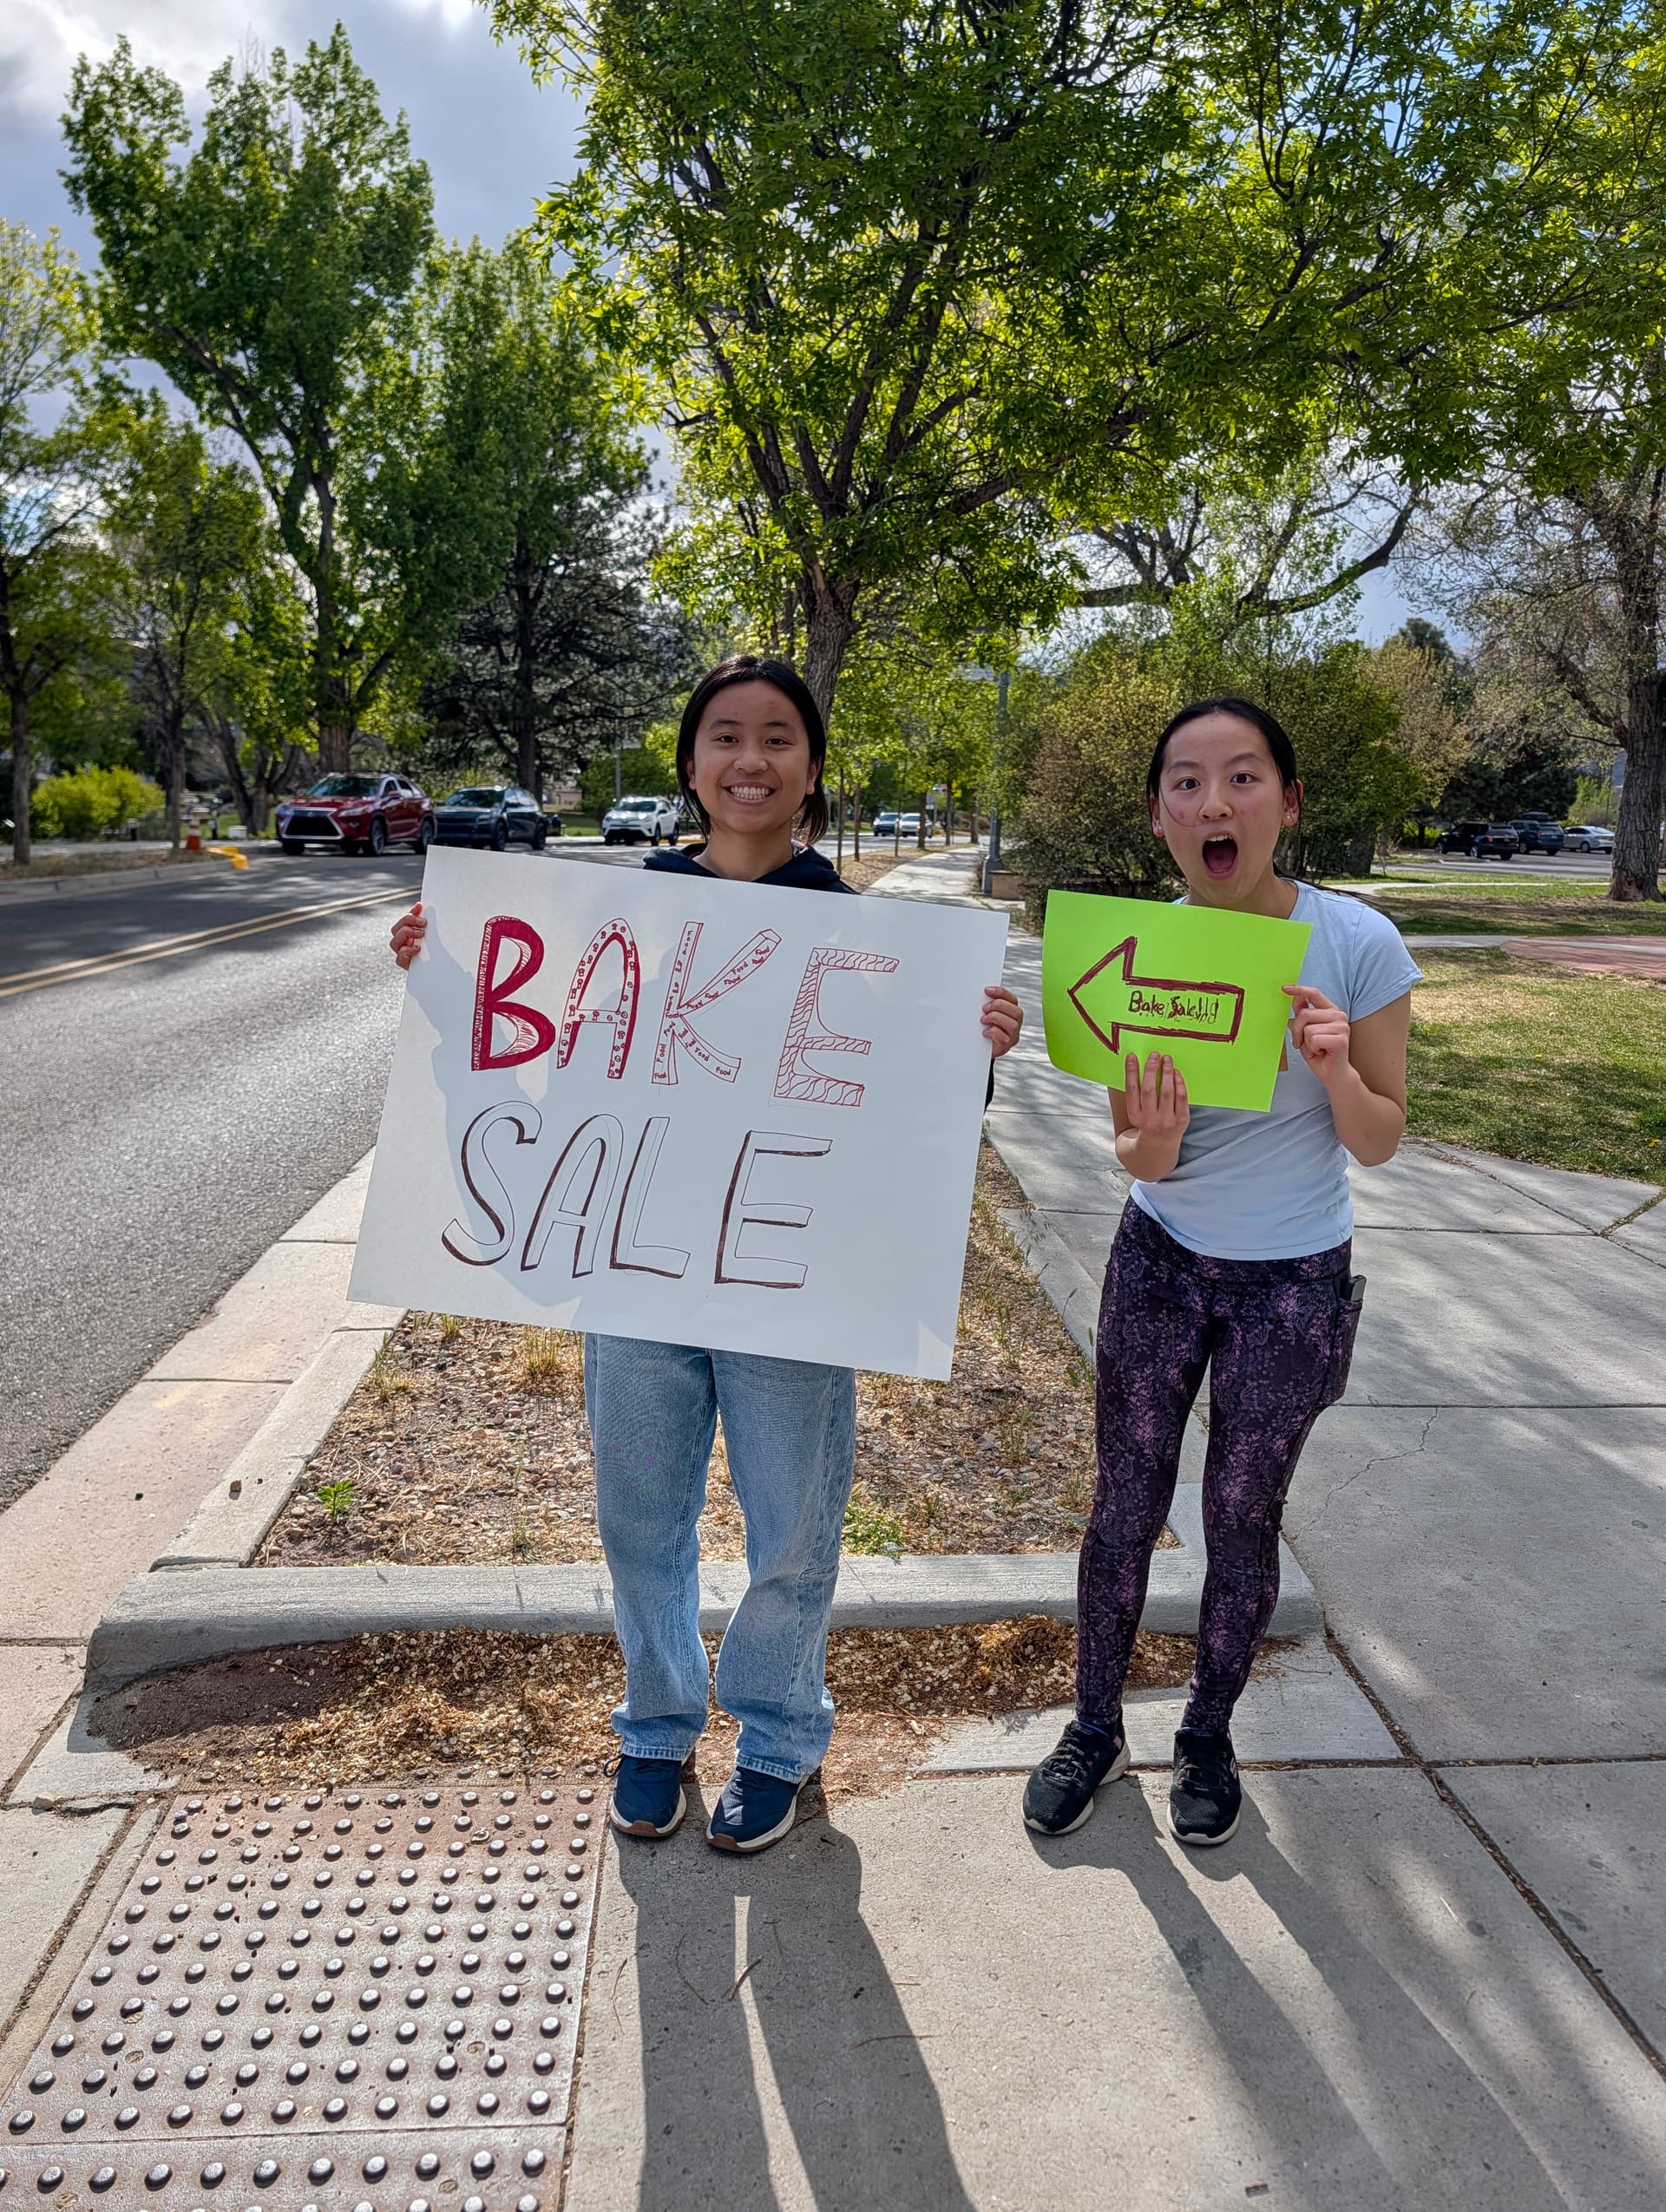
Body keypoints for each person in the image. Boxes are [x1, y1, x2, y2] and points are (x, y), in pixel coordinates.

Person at [392, 654, 1023, 1854]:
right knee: (641, 1513)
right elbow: (528, 1059)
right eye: (725, 736)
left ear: (812, 771)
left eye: (777, 737)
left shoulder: (866, 936)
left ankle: (779, 1736)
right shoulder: (616, 922)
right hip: (636, 1269)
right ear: (689, 764)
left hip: (792, 1279)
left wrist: (975, 1048)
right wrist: (444, 974)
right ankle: (658, 1722)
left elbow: (913, 1121)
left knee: (794, 1525)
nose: (750, 759)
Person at [1022, 697, 1420, 1847]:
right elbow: (1135, 1152)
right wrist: (1154, 1130)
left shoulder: (1355, 943)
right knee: (1124, 1500)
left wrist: (1337, 1067)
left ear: (1286, 804)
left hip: (1293, 1282)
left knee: (1244, 1515)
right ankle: (1094, 1726)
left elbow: (1381, 1135)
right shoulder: (1134, 955)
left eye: (1244, 777)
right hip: (1158, 1260)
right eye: (1187, 782)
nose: (1215, 800)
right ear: (1158, 816)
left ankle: (1206, 1732)